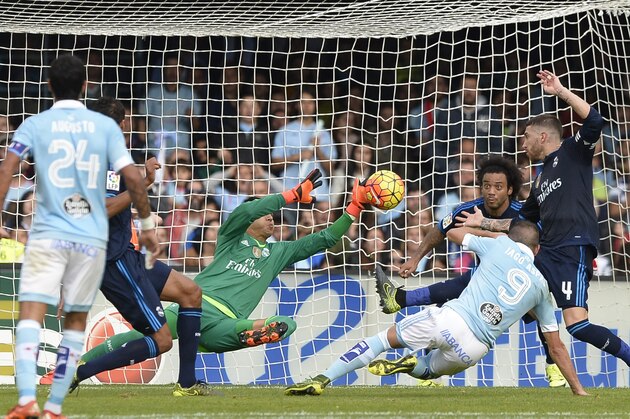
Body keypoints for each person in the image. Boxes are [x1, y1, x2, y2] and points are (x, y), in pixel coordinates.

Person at [54, 169, 375, 385]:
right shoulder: (231, 237)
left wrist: (355, 207)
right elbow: (243, 213)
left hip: (226, 322)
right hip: (193, 308)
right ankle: (73, 367)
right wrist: (290, 195)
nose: (271, 219)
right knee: (141, 337)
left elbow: (324, 240)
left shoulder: (279, 253)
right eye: (266, 214)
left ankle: (252, 332)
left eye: (273, 216)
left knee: (286, 324)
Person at [0, 55, 158, 419]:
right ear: (86, 86)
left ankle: (26, 400)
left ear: (49, 86)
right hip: (90, 239)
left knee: (30, 314)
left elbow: (9, 169)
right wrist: (148, 228)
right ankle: (54, 407)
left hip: (47, 232)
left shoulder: (35, 124)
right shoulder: (101, 128)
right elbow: (133, 179)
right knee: (75, 320)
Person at [284, 221, 587, 397]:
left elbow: (453, 232)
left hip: (450, 319)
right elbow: (556, 346)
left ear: (510, 238)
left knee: (381, 340)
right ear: (537, 250)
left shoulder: (499, 245)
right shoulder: (542, 287)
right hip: (474, 349)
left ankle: (322, 378)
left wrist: (487, 229)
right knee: (427, 369)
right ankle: (409, 365)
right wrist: (578, 390)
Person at [458, 70, 630, 370]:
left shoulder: (572, 152)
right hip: (547, 251)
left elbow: (595, 122)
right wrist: (481, 222)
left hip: (572, 248)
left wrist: (561, 92)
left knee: (577, 325)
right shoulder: (539, 180)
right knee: (504, 286)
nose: (522, 143)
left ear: (542, 136)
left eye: (525, 137)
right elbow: (520, 223)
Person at [38, 96, 207, 397]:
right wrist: (143, 183)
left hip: (127, 255)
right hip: (114, 263)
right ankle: (79, 371)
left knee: (191, 293)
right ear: (122, 123)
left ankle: (188, 383)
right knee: (163, 339)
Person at [376, 155, 567, 387]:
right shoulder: (468, 209)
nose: (491, 192)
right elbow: (441, 230)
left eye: (498, 187)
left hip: (522, 281)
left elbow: (540, 244)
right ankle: (423, 361)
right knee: (447, 309)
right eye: (486, 186)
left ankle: (552, 365)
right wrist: (415, 259)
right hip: (485, 279)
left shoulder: (524, 215)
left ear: (509, 190)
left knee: (544, 318)